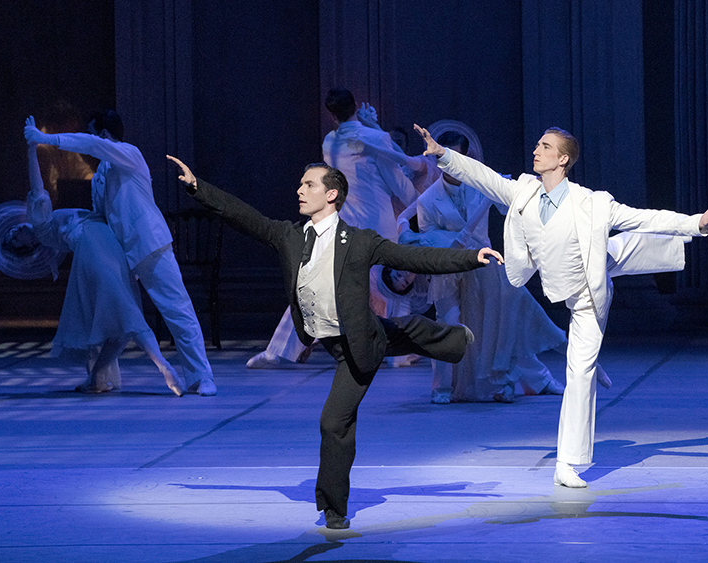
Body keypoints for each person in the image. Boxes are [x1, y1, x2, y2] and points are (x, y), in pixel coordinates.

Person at [165, 154, 502, 530]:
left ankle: (334, 507)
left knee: (334, 420)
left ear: (332, 194)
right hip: (344, 336)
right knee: (395, 332)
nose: (300, 189)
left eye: (309, 184)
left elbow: (414, 257)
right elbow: (245, 217)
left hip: (357, 345)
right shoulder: (289, 237)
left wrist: (472, 257)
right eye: (301, 184)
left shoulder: (360, 242)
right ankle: (453, 339)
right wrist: (199, 188)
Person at [415, 123, 708, 488]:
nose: (536, 150)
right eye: (537, 144)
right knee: (616, 252)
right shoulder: (524, 192)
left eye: (545, 146)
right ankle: (591, 363)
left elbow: (643, 216)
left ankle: (568, 462)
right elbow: (482, 176)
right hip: (562, 278)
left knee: (582, 361)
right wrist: (443, 154)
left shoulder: (593, 202)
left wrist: (695, 223)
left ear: (562, 159)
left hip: (589, 290)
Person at [24, 111, 216, 396]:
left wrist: (46, 139)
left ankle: (202, 377)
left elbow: (92, 145)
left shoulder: (129, 154)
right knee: (122, 317)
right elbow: (101, 217)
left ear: (102, 133)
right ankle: (99, 377)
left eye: (93, 133)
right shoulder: (101, 174)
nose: (92, 140)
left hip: (149, 244)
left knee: (177, 309)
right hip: (123, 253)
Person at [246, 89, 420, 369]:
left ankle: (279, 351)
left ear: (331, 115)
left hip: (346, 226)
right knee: (388, 290)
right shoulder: (375, 139)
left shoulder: (330, 141)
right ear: (354, 107)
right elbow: (401, 187)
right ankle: (397, 353)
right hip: (377, 227)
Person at [414, 130, 566, 404]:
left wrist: (524, 190)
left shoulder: (479, 183)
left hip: (484, 265)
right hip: (448, 269)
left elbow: (509, 206)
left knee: (503, 321)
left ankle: (531, 379)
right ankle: (442, 387)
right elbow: (430, 242)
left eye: (459, 155)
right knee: (448, 322)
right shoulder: (427, 200)